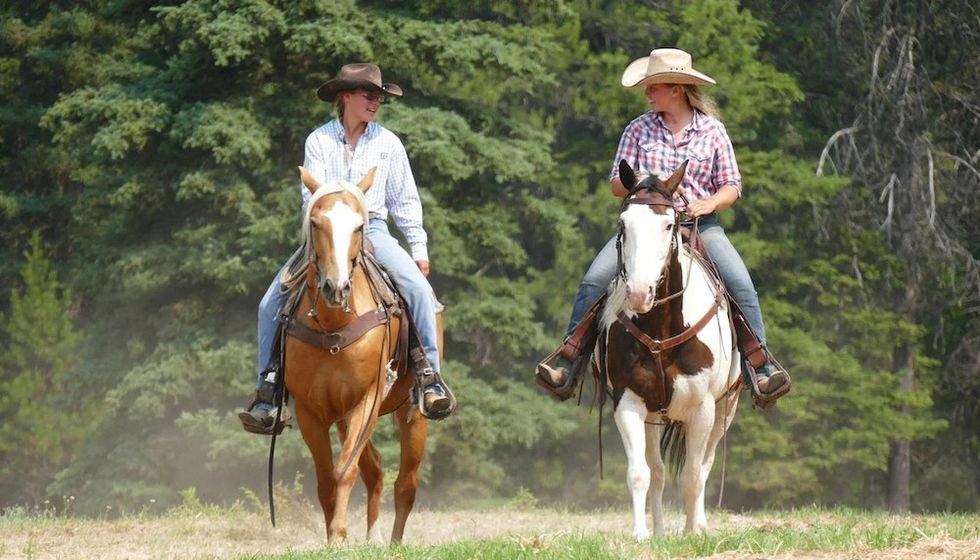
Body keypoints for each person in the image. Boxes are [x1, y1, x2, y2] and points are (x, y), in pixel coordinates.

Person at [536, 48, 789, 396]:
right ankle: (569, 360)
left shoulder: (712, 131)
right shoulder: (637, 129)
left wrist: (706, 204)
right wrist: (637, 184)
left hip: (700, 225)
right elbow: (615, 185)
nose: (647, 93)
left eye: (654, 86)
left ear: (677, 89)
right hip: (646, 228)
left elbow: (732, 186)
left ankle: (760, 366)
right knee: (594, 279)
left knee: (740, 285)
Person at [239, 63, 452, 432]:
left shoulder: (389, 144)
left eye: (379, 98)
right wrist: (335, 220)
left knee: (419, 290)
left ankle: (428, 378)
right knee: (269, 303)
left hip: (373, 230)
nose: (376, 103)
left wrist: (419, 249)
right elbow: (313, 198)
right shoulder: (318, 141)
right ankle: (268, 389)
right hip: (327, 233)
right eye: (369, 95)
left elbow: (405, 201)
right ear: (346, 97)